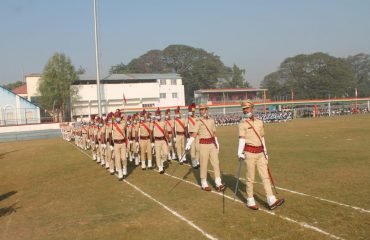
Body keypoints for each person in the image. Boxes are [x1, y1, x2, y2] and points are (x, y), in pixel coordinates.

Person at [237, 100, 284, 210]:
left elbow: (262, 138)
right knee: (250, 178)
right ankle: (250, 200)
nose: (245, 110)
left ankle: (271, 200)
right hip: (249, 153)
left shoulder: (259, 122)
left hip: (260, 152)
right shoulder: (242, 124)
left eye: (247, 108)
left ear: (252, 108)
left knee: (265, 177)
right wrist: (239, 152)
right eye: (243, 108)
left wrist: (265, 152)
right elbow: (242, 139)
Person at [186, 104, 225, 191]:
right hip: (203, 144)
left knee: (216, 163)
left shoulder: (211, 120)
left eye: (203, 109)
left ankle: (218, 182)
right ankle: (204, 183)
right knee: (203, 164)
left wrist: (217, 142)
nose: (201, 111)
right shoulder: (198, 121)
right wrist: (189, 143)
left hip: (212, 143)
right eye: (200, 109)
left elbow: (214, 132)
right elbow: (194, 133)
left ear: (206, 110)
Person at [152, 108, 169, 174]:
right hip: (157, 140)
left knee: (166, 153)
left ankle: (162, 161)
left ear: (160, 115)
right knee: (158, 154)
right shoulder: (153, 123)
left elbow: (166, 132)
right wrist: (152, 142)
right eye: (156, 115)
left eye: (158, 115)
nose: (157, 116)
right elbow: (151, 132)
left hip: (163, 140)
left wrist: (169, 140)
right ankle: (160, 167)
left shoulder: (164, 122)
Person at [112, 111, 128, 180]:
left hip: (123, 143)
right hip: (116, 144)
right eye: (116, 117)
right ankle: (120, 173)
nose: (118, 118)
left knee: (124, 158)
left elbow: (125, 121)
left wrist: (124, 116)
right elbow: (109, 134)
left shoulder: (123, 124)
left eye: (119, 117)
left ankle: (124, 168)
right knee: (117, 159)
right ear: (115, 118)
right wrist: (111, 145)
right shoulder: (112, 125)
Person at [186, 103, 200, 169]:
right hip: (191, 136)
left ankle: (197, 161)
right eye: (191, 111)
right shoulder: (188, 119)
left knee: (198, 149)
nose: (192, 112)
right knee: (192, 151)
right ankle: (194, 163)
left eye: (193, 111)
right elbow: (186, 128)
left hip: (197, 135)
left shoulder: (197, 118)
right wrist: (188, 137)